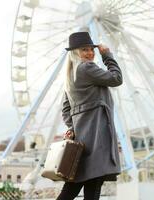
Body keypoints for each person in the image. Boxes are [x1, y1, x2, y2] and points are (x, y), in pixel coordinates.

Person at [57, 31, 122, 200]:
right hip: (97, 136)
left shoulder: (70, 76)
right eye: (85, 50)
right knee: (93, 188)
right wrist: (107, 55)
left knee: (71, 188)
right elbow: (116, 78)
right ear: (75, 52)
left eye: (92, 49)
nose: (90, 53)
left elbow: (65, 109)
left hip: (80, 141)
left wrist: (72, 127)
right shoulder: (87, 68)